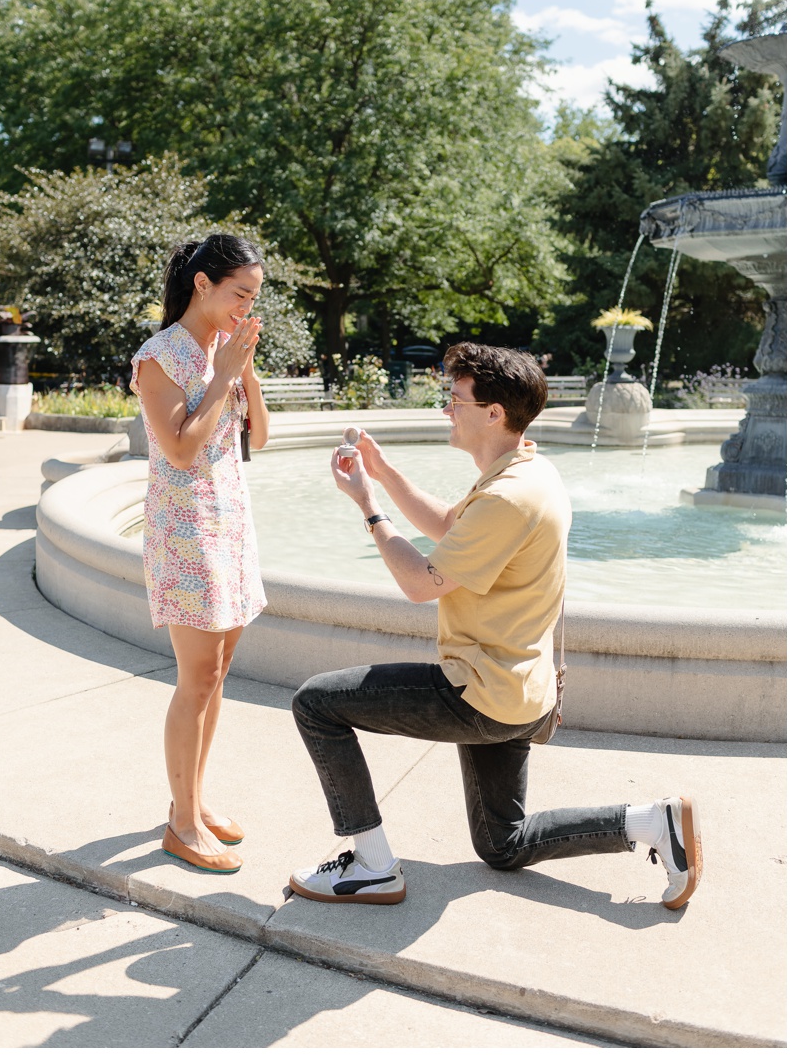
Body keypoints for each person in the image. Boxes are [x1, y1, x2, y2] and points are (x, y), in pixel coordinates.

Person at [288, 342, 700, 909]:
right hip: (520, 694)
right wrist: (382, 473)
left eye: (454, 399)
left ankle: (373, 866)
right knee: (503, 845)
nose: (446, 410)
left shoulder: (508, 496)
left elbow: (419, 583)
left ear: (493, 413)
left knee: (316, 704)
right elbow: (449, 526)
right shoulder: (528, 469)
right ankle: (652, 823)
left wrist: (368, 507)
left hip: (478, 693)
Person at [130, 232, 270, 875]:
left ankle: (194, 799)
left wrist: (242, 370)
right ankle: (180, 824)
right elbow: (183, 450)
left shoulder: (227, 349)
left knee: (219, 671)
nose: (247, 306)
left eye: (255, 297)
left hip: (229, 520)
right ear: (203, 284)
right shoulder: (158, 358)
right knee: (198, 678)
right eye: (239, 293)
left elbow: (259, 438)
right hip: (184, 526)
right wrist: (220, 376)